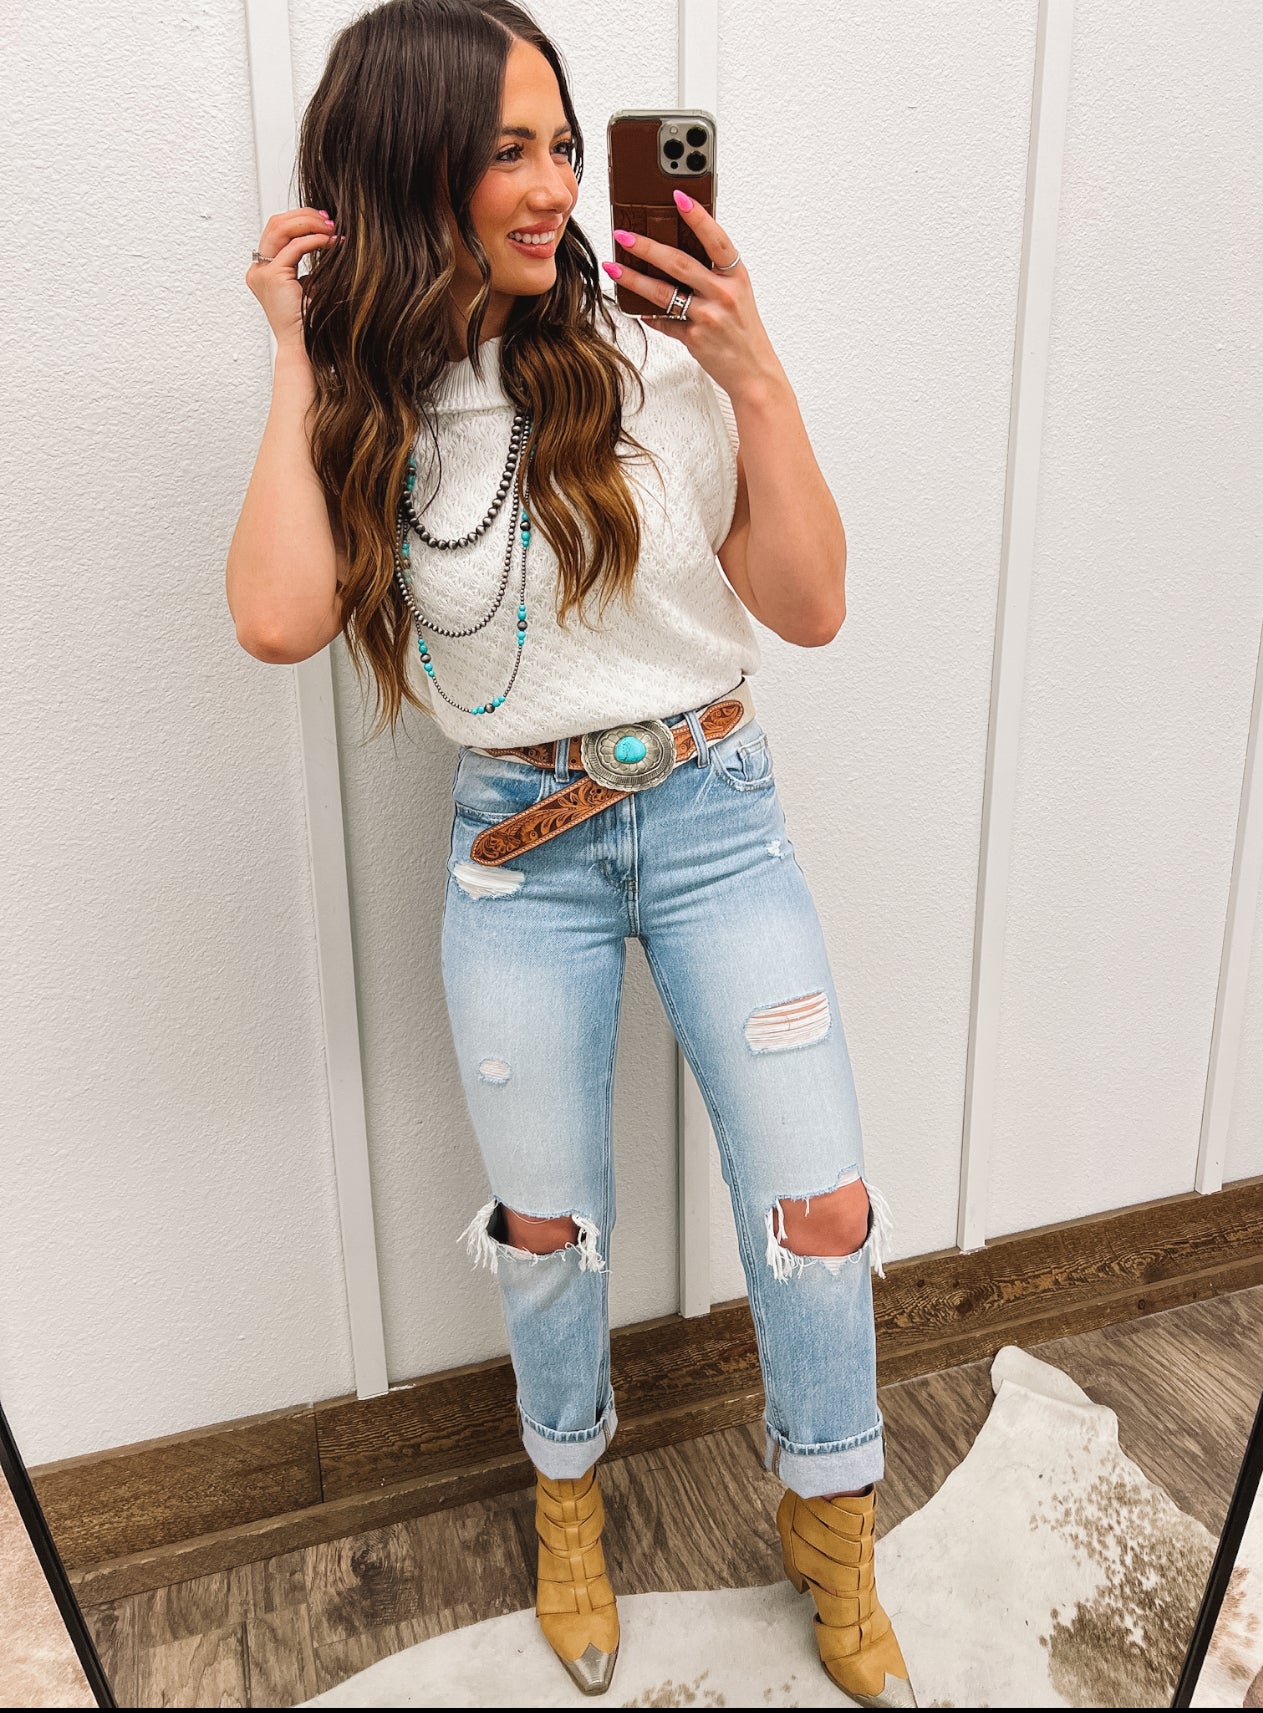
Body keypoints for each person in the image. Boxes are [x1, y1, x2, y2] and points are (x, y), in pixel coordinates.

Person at [226, 0, 914, 1704]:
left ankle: (834, 1526)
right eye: (507, 153)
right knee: (547, 1229)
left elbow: (812, 605)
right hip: (519, 854)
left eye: (561, 144)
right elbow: (277, 616)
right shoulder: (374, 413)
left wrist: (753, 368)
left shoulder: (651, 358)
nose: (552, 186)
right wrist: (298, 361)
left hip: (714, 818)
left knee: (821, 1207)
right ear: (410, 175)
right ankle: (569, 1507)